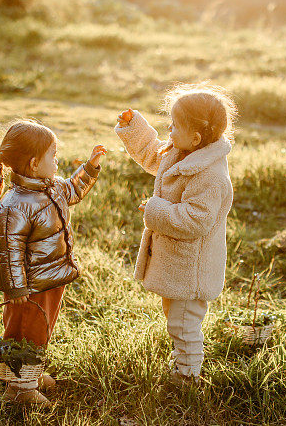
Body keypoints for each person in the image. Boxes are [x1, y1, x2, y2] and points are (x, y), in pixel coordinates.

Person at [114, 83, 236, 383]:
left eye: (173, 126)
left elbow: (195, 220)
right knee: (177, 319)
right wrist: (135, 128)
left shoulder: (211, 176)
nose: (168, 130)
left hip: (191, 270)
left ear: (195, 137)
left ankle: (188, 376)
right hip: (177, 265)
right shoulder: (181, 152)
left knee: (184, 324)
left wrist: (155, 211)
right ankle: (182, 363)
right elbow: (153, 154)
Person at [0, 119, 106, 404]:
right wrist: (17, 287)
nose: (57, 162)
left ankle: (29, 373)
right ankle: (19, 389)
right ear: (33, 164)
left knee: (41, 329)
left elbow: (72, 190)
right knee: (24, 331)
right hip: (29, 286)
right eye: (53, 156)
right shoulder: (14, 204)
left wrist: (90, 168)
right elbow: (10, 251)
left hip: (52, 277)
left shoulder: (53, 186)